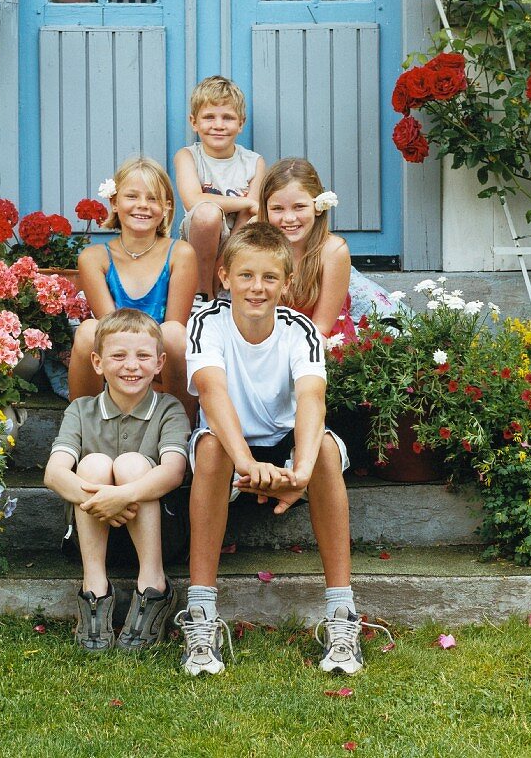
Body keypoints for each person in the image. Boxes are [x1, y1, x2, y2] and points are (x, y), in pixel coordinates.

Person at [176, 223, 387, 676]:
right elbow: (211, 393)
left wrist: (304, 471)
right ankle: (201, 616)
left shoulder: (301, 330)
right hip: (231, 444)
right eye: (246, 275)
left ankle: (341, 614)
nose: (257, 287)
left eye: (270, 278)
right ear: (225, 275)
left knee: (327, 450)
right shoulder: (205, 322)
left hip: (286, 443)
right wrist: (246, 464)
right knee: (211, 449)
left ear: (286, 283)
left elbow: (312, 398)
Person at [44, 309, 190, 652]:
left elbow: (173, 471)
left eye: (142, 356)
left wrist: (122, 495)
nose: (131, 365)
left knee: (131, 465)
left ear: (159, 363)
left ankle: (154, 587)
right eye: (118, 355)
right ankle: (94, 589)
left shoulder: (169, 408)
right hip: (92, 534)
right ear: (97, 362)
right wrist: (105, 502)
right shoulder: (80, 410)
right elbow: (53, 473)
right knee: (93, 464)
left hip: (160, 538)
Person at [68, 157, 198, 420]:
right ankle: (84, 428)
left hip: (161, 354)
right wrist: (128, 357)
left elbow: (174, 327)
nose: (142, 205)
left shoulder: (180, 253)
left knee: (174, 333)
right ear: (114, 203)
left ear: (167, 207)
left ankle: (178, 428)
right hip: (116, 351)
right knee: (87, 331)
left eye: (153, 198)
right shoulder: (95, 258)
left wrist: (144, 355)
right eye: (132, 196)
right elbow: (109, 328)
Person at [261, 157, 409, 339]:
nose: (289, 218)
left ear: (318, 206)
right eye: (277, 209)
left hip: (320, 342)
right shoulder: (259, 248)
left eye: (299, 207)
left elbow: (321, 328)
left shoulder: (332, 251)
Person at [174, 75, 266, 306]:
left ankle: (218, 282)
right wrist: (244, 202)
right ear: (194, 122)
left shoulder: (253, 161)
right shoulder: (188, 156)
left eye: (227, 117)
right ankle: (202, 293)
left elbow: (252, 213)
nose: (218, 125)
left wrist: (223, 260)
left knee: (257, 219)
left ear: (241, 123)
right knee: (207, 213)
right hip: (199, 234)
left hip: (240, 236)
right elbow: (193, 200)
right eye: (209, 117)